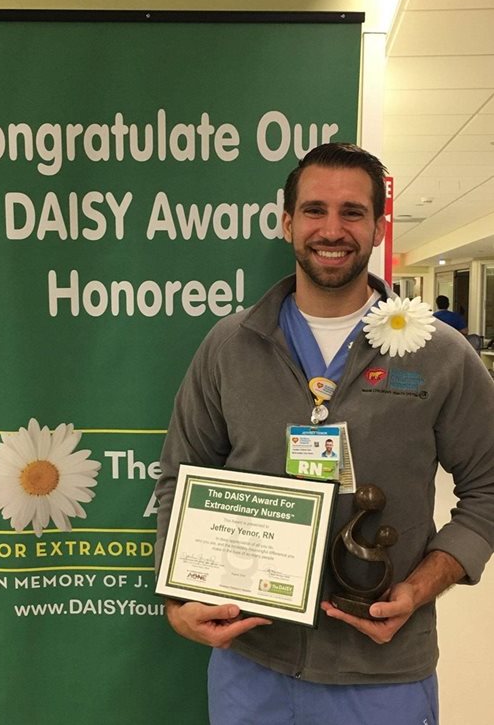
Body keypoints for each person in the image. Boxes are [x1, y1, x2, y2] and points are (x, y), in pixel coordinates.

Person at [155, 143, 494, 725]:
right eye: (314, 210)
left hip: (383, 671)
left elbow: (488, 490)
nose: (331, 229)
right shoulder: (230, 347)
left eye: (352, 212)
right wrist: (178, 600)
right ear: (287, 222)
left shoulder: (440, 355)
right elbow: (178, 478)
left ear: (379, 227)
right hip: (252, 664)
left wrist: (420, 587)